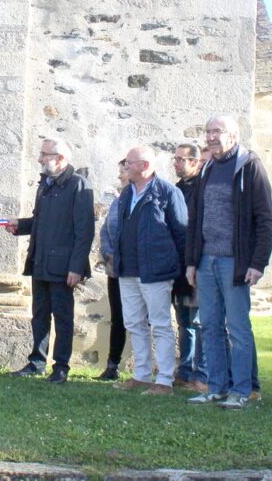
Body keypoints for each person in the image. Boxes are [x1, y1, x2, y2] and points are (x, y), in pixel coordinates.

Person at [185, 114, 272, 410]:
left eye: (218, 132)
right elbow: (195, 219)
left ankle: (242, 390)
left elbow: (266, 220)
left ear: (233, 136)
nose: (211, 137)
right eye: (208, 131)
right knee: (209, 325)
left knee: (237, 328)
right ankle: (216, 387)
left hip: (235, 263)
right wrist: (191, 261)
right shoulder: (207, 168)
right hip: (206, 261)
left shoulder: (250, 167)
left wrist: (257, 263)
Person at [7, 137, 94, 384]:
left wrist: (76, 267)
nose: (40, 159)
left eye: (45, 154)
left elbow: (84, 231)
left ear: (61, 158)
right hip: (40, 261)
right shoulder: (44, 185)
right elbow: (41, 222)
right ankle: (37, 362)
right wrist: (20, 225)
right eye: (41, 154)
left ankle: (61, 366)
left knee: (63, 317)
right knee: (40, 314)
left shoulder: (78, 185)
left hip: (63, 266)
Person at [111, 146, 187, 396]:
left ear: (144, 166)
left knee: (161, 324)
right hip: (128, 269)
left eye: (129, 163)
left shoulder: (167, 192)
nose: (125, 167)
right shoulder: (126, 194)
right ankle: (141, 376)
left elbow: (181, 232)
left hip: (156, 270)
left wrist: (180, 268)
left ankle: (164, 380)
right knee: (134, 323)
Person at [171, 143, 208, 392]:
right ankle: (184, 370)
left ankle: (201, 374)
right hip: (178, 263)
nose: (176, 163)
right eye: (175, 159)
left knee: (199, 322)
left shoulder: (203, 189)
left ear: (195, 162)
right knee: (183, 320)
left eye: (181, 159)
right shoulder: (177, 189)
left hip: (198, 261)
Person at [94, 159, 129, 381]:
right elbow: (106, 231)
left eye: (123, 171)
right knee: (118, 318)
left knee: (139, 320)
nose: (120, 176)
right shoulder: (117, 202)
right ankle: (112, 365)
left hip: (135, 270)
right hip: (115, 269)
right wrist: (108, 253)